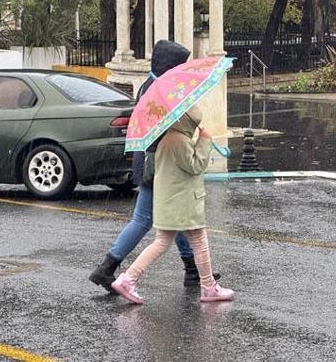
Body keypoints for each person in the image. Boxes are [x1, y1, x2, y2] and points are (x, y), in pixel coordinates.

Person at [88, 40, 219, 291]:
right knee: (144, 220)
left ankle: (192, 269)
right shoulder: (159, 93)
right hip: (157, 167)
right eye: (179, 64)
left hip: (154, 163)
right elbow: (163, 133)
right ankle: (107, 267)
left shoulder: (154, 85)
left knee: (176, 217)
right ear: (170, 65)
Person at [111, 107, 234, 304]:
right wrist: (204, 140)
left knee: (162, 242)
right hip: (182, 202)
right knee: (198, 241)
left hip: (170, 201)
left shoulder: (169, 138)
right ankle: (209, 287)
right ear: (188, 123)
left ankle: (128, 279)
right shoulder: (179, 141)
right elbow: (195, 166)